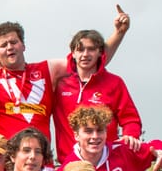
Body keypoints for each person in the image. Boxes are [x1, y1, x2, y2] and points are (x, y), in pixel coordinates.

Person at [0, 7, 130, 144]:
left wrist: (119, 33)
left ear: (23, 45)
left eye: (14, 42)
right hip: (4, 160)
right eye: (3, 45)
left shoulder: (47, 70)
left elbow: (89, 60)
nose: (9, 47)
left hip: (40, 160)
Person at [52, 29, 143, 161]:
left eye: (91, 49)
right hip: (70, 163)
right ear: (73, 53)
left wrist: (131, 136)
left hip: (106, 161)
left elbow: (131, 119)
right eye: (80, 49)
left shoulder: (114, 82)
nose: (85, 54)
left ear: (100, 52)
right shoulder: (58, 84)